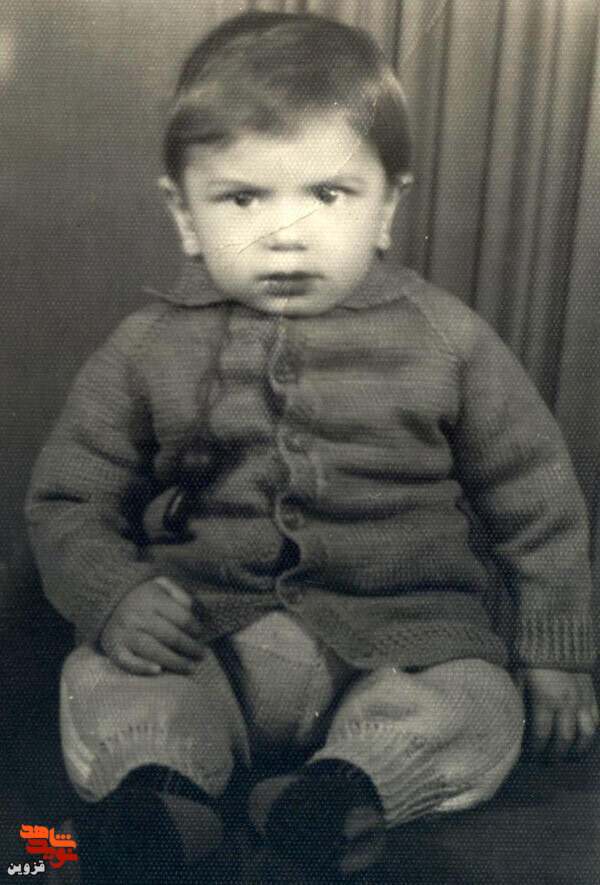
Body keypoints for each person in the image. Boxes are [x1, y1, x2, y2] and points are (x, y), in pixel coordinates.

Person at [26, 10, 598, 884]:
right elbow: (70, 499)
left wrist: (554, 651)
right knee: (106, 676)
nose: (284, 232)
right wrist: (114, 594)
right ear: (184, 214)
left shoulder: (447, 339)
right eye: (242, 198)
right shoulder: (147, 347)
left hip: (404, 645)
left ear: (386, 207)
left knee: (478, 699)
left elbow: (537, 500)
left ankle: (339, 795)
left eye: (328, 195)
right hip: (203, 644)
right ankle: (160, 796)